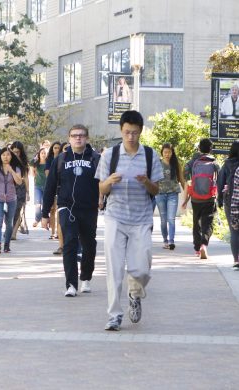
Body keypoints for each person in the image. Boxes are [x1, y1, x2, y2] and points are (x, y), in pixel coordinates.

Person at [95, 110, 163, 331]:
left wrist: (146, 182)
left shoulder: (151, 155)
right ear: (121, 131)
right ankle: (114, 315)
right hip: (115, 217)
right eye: (126, 132)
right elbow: (101, 188)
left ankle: (135, 293)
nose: (130, 137)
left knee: (142, 268)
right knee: (114, 269)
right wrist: (109, 182)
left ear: (141, 131)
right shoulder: (110, 155)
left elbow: (157, 189)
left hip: (141, 218)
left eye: (134, 132)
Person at [42, 125, 100, 297]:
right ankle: (71, 285)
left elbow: (104, 183)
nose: (78, 138)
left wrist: (103, 199)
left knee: (89, 245)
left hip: (89, 208)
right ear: (69, 138)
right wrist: (45, 214)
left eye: (82, 136)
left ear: (87, 138)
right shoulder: (61, 159)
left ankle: (86, 277)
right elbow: (50, 186)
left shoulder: (95, 159)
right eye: (74, 136)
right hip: (67, 206)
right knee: (69, 244)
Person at [182, 138, 219, 259]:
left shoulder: (194, 161)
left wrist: (190, 181)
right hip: (209, 197)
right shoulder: (214, 162)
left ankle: (197, 249)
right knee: (207, 223)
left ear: (199, 149)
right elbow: (220, 178)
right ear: (210, 149)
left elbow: (185, 171)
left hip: (196, 197)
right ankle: (204, 244)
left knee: (196, 222)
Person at [0, 147, 22, 253]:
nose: (5, 157)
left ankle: (7, 244)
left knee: (9, 223)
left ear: (11, 156)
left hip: (11, 199)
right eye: (3, 155)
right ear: (0, 156)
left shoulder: (16, 168)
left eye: (8, 155)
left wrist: (11, 170)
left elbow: (19, 182)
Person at [155, 143, 185, 250]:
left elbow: (182, 180)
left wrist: (186, 197)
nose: (167, 154)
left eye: (169, 152)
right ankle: (165, 240)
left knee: (171, 218)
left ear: (172, 153)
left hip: (173, 194)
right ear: (162, 153)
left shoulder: (176, 164)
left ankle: (172, 241)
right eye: (165, 152)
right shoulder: (157, 164)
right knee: (163, 220)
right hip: (160, 194)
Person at [217, 140, 239, 269]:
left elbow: (220, 183)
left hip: (230, 201)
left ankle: (236, 260)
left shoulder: (227, 164)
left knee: (234, 231)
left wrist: (220, 200)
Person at [53, 142, 70, 256]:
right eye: (65, 148)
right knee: (61, 222)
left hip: (78, 199)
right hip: (61, 195)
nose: (67, 150)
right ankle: (61, 245)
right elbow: (52, 182)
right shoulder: (59, 161)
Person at [10, 141, 30, 240]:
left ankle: (13, 233)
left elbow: (26, 177)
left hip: (20, 187)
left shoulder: (24, 163)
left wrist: (28, 192)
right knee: (9, 211)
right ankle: (10, 229)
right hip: (9, 187)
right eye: (14, 152)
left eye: (18, 152)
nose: (16, 154)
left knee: (17, 210)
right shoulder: (8, 159)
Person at [45, 141, 62, 239]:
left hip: (60, 187)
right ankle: (53, 232)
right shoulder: (50, 159)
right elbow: (47, 173)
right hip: (52, 186)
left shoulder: (64, 158)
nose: (57, 149)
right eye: (55, 148)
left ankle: (59, 232)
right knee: (52, 210)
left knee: (59, 211)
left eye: (58, 148)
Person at [32, 148, 47, 227]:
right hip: (37, 186)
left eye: (45, 153)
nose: (43, 154)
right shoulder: (36, 163)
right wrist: (35, 158)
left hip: (47, 187)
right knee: (37, 205)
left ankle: (43, 220)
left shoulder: (49, 163)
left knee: (45, 205)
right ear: (39, 154)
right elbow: (31, 163)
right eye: (42, 153)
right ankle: (37, 219)